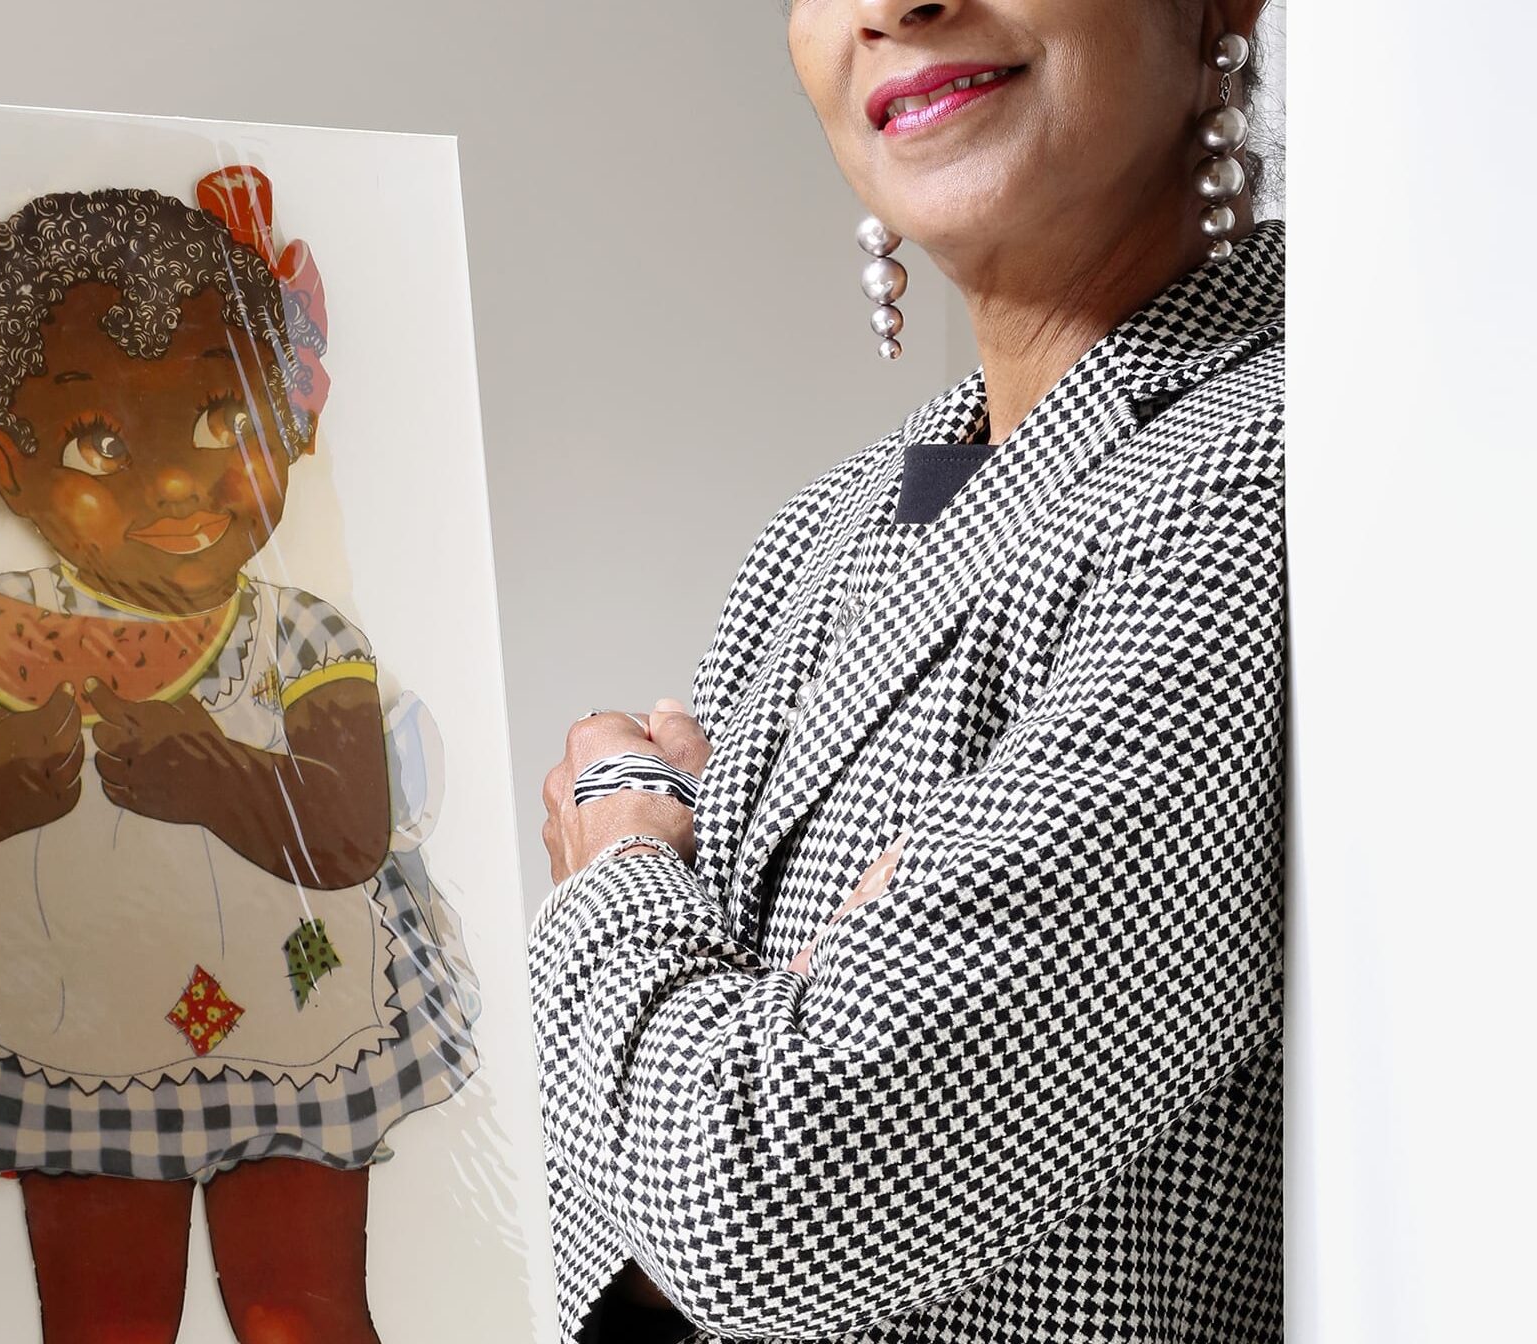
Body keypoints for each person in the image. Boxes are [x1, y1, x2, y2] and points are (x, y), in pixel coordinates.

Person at [531, 1, 1283, 1340]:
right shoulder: (828, 531)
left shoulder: (1261, 469)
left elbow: (760, 1191)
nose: (896, 7)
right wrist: (735, 1040)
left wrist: (623, 862)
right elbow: (628, 1226)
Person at [0, 168, 480, 1344]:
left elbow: (349, 836)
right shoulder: (5, 617)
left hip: (296, 1025)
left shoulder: (309, 638)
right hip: (73, 1026)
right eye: (97, 441)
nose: (177, 479)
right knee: (106, 1321)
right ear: (3, 461)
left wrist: (221, 778)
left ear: (287, 420)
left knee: (303, 1311)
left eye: (223, 422)